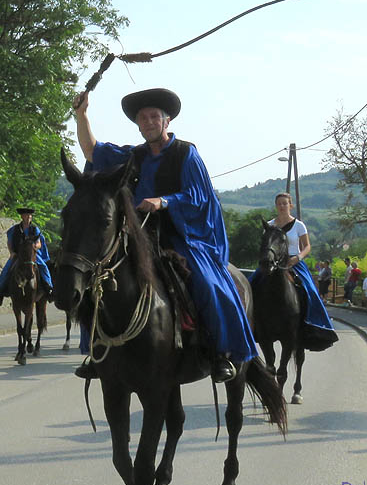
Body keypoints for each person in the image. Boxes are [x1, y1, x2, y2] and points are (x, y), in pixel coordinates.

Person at [72, 87, 257, 383]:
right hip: (140, 236)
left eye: (154, 116)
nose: (148, 122)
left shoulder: (186, 154)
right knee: (99, 280)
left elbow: (200, 196)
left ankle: (220, 352)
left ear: (166, 121)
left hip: (181, 236)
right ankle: (97, 351)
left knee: (209, 285)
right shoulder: (134, 156)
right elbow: (93, 150)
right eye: (143, 118)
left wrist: (164, 201)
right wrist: (82, 116)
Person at [250, 192, 338, 351]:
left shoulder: (299, 225)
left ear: (291, 205)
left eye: (285, 203)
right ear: (276, 206)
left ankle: (315, 325)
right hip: (273, 262)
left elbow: (307, 246)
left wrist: (297, 258)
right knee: (251, 284)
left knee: (310, 290)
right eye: (279, 204)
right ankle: (248, 324)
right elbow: (265, 246)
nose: (282, 206)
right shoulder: (269, 225)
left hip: (293, 262)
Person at [0, 207, 53, 304]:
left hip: (31, 254)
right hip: (18, 254)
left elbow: (39, 243)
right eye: (27, 215)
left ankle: (49, 287)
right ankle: (0, 292)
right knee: (6, 269)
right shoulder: (14, 229)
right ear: (22, 216)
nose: (29, 217)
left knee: (43, 266)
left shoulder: (35, 229)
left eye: (30, 215)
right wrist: (12, 253)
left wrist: (34, 246)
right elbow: (9, 242)